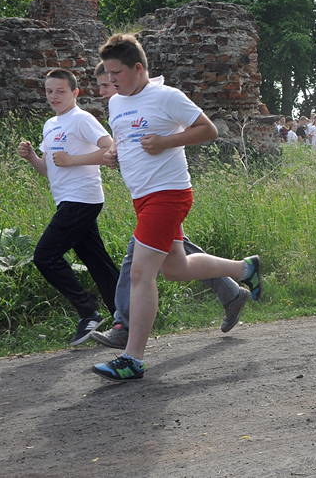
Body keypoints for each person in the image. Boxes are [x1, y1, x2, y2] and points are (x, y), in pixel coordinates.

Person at [91, 34, 262, 381]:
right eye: (107, 74)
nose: (111, 80)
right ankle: (245, 270)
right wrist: (114, 154)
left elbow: (208, 130)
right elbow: (126, 140)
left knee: (141, 273)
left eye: (117, 73)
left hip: (168, 193)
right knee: (177, 268)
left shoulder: (166, 96)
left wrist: (167, 141)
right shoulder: (117, 103)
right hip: (142, 196)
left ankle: (132, 358)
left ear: (138, 68)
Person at [17, 68, 119, 346]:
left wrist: (73, 160)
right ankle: (126, 316)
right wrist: (32, 158)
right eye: (49, 91)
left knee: (45, 256)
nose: (54, 96)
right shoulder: (51, 124)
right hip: (68, 199)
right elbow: (51, 171)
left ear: (75, 93)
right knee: (97, 261)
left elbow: (111, 149)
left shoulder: (82, 119)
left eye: (60, 91)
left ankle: (88, 311)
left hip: (83, 198)